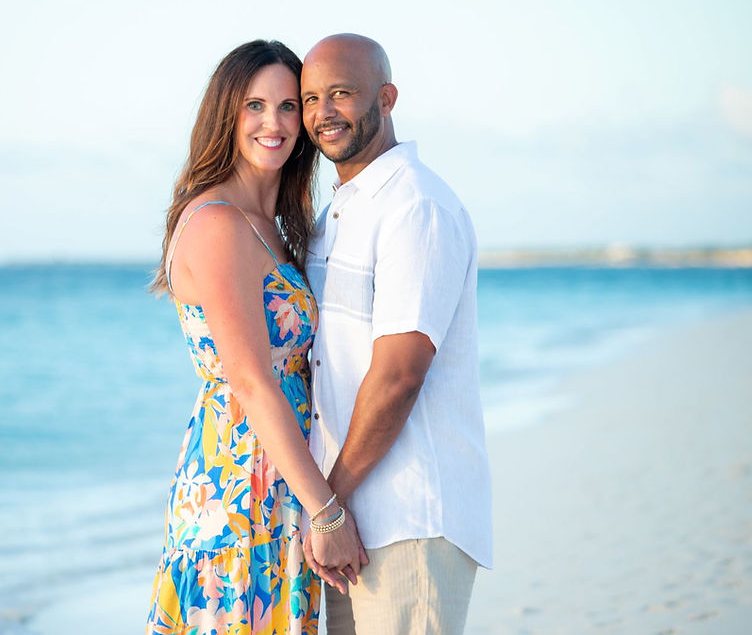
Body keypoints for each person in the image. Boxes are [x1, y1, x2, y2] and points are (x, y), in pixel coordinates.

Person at [145, 39, 366, 635]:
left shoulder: (269, 225)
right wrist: (325, 510)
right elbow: (249, 377)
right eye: (255, 106)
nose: (275, 123)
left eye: (289, 106)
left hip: (280, 480)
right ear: (227, 115)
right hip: (238, 484)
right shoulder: (217, 223)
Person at [299, 34, 493, 635]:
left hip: (410, 517)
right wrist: (327, 509)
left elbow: (399, 377)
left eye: (341, 94)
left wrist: (327, 506)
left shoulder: (416, 207)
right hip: (351, 515)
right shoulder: (339, 213)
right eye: (309, 99)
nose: (322, 113)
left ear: (386, 97)